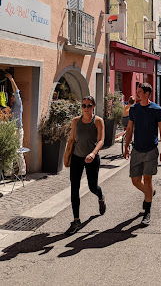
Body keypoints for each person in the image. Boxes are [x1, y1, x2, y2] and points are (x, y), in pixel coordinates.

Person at [124, 82, 161, 226]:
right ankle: (150, 193)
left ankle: (147, 212)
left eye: (140, 92)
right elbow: (129, 129)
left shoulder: (157, 110)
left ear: (147, 93)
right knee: (135, 180)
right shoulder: (134, 109)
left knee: (148, 180)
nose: (137, 94)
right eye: (137, 91)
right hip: (137, 149)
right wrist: (126, 146)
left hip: (151, 150)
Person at [65, 96, 106, 236]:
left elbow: (101, 140)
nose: (86, 108)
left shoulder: (98, 121)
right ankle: (76, 220)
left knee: (92, 186)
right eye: (83, 105)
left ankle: (100, 196)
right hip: (77, 157)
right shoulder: (75, 121)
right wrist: (67, 155)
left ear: (93, 106)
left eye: (89, 105)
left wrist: (93, 153)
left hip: (92, 158)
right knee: (74, 187)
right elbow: (71, 139)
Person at [5, 73, 26, 176]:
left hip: (18, 129)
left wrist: (11, 79)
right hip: (11, 130)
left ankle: (22, 172)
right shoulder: (10, 107)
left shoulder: (18, 104)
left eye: (13, 96)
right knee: (9, 149)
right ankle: (8, 172)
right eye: (11, 96)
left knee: (18, 150)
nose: (12, 97)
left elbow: (17, 92)